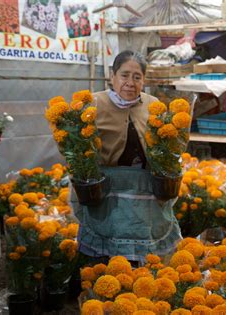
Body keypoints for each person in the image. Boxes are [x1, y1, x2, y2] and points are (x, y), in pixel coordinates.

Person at [72, 50, 182, 264]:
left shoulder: (153, 106)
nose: (130, 82)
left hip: (144, 194)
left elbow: (167, 147)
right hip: (106, 195)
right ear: (113, 77)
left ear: (144, 80)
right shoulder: (93, 105)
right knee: (105, 256)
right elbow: (75, 146)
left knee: (144, 256)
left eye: (137, 77)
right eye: (124, 75)